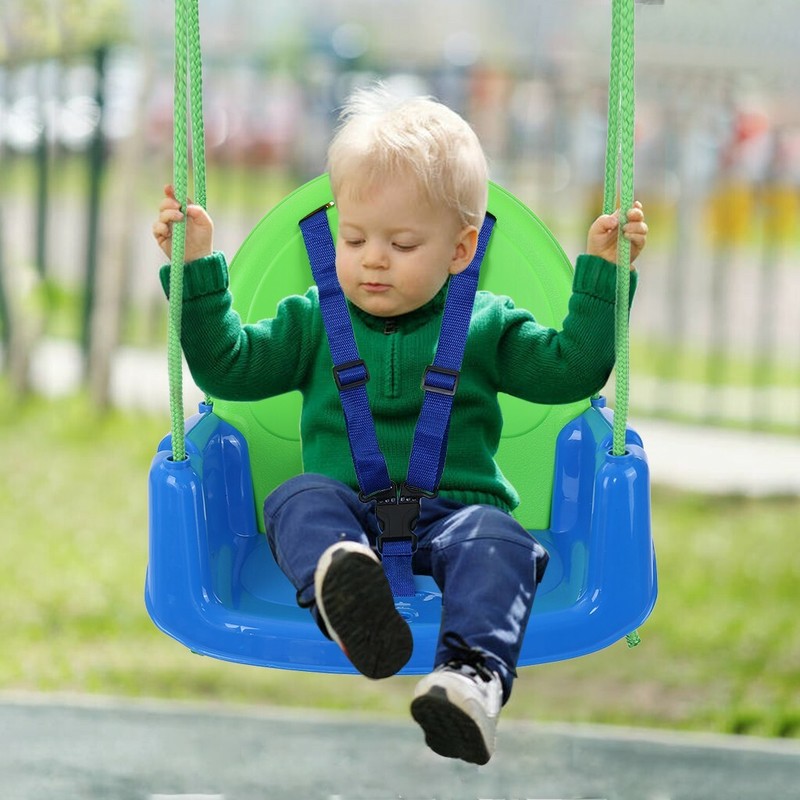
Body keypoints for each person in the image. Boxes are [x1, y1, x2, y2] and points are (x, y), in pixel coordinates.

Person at [153, 85, 648, 766]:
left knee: (500, 541)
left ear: (461, 248)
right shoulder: (309, 321)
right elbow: (227, 369)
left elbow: (572, 371)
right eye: (353, 238)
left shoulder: (486, 324)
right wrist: (195, 271)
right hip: (344, 512)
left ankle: (467, 683)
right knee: (297, 501)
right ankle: (343, 584)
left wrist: (603, 275)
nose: (373, 258)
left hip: (457, 516)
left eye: (402, 242)